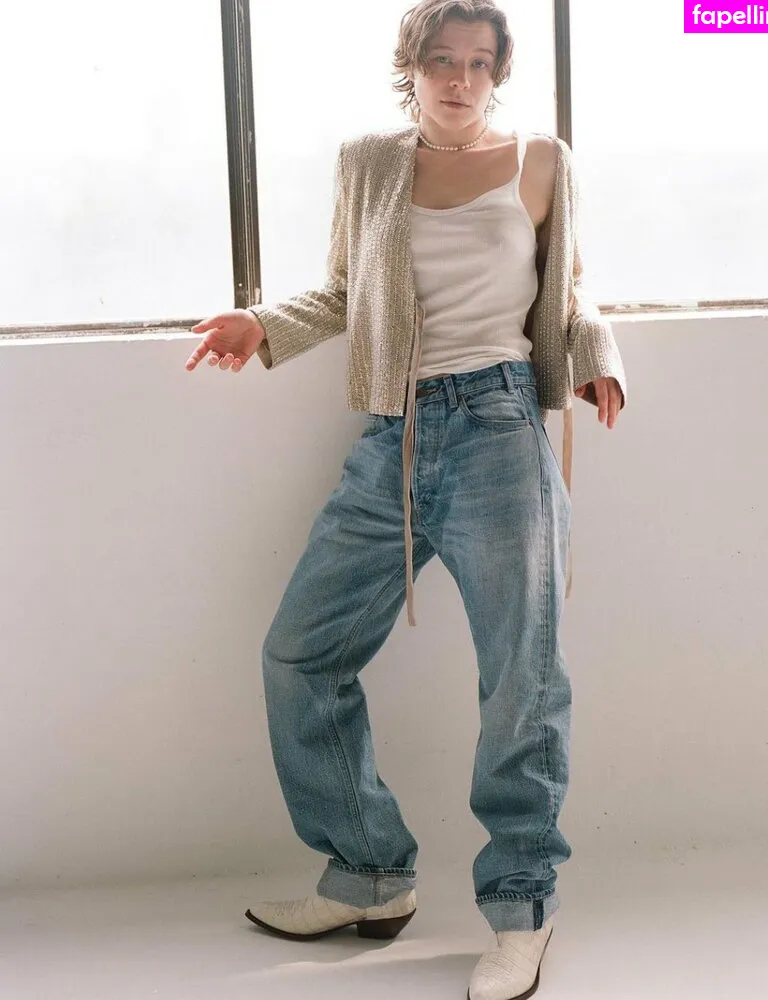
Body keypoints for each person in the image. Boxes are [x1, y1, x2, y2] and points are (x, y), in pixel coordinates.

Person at [185, 2, 626, 997]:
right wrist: (262, 324)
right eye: (441, 61)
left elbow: (568, 287)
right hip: (395, 435)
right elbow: (347, 291)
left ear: (497, 72)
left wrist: (595, 353)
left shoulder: (540, 162)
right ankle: (369, 873)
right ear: (411, 68)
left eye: (478, 63)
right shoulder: (369, 164)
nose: (459, 80)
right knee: (300, 654)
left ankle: (520, 910)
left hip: (500, 430)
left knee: (520, 683)